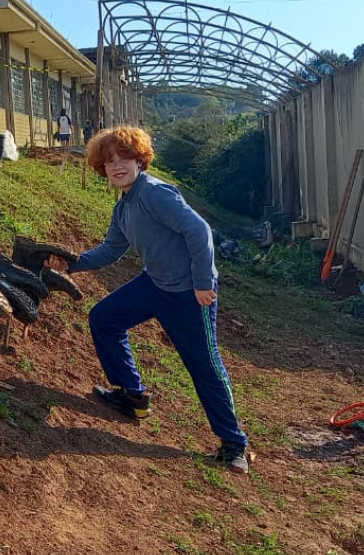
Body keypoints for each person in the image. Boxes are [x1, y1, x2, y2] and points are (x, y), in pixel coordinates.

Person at [64, 126, 250, 474]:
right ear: (100, 168)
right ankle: (133, 397)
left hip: (189, 294)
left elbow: (199, 231)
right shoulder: (124, 208)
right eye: (109, 161)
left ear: (139, 160)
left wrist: (202, 283)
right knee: (105, 318)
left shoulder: (153, 193)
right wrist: (71, 264)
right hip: (155, 285)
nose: (117, 166)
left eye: (124, 158)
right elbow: (110, 249)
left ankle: (234, 443)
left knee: (205, 367)